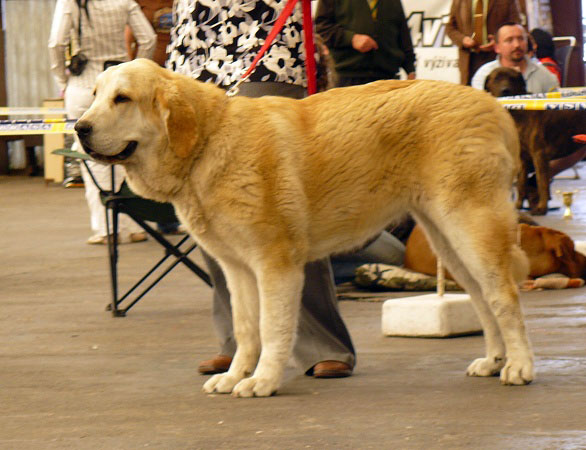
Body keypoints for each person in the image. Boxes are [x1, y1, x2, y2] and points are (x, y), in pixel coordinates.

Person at [168, 0, 405, 378]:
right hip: (195, 55)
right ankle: (240, 344)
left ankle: (323, 345)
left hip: (267, 43)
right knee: (208, 212)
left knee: (281, 212)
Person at [48, 0, 157, 245]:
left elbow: (56, 43)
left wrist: (61, 80)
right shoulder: (124, 0)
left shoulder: (70, 2)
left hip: (83, 84)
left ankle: (107, 229)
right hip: (119, 86)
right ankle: (133, 225)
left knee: (93, 160)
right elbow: (148, 39)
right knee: (126, 154)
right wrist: (133, 73)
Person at [125, 0, 184, 235]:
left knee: (174, 149)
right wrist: (135, 74)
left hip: (177, 79)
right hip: (147, 87)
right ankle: (153, 216)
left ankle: (169, 218)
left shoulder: (177, 2)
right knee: (150, 152)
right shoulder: (140, 4)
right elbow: (130, 38)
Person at [315, 0, 416, 87]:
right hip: (348, 79)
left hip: (388, 80)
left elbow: (403, 34)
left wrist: (410, 70)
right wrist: (351, 39)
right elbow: (322, 26)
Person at [446, 0, 521, 85]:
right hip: (469, 60)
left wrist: (498, 41)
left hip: (498, 59)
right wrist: (462, 39)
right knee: (471, 96)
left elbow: (516, 24)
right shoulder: (459, 1)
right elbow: (450, 27)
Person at [471, 22, 559, 93]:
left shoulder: (544, 74)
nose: (517, 45)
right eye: (509, 40)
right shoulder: (483, 75)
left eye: (521, 39)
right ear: (497, 47)